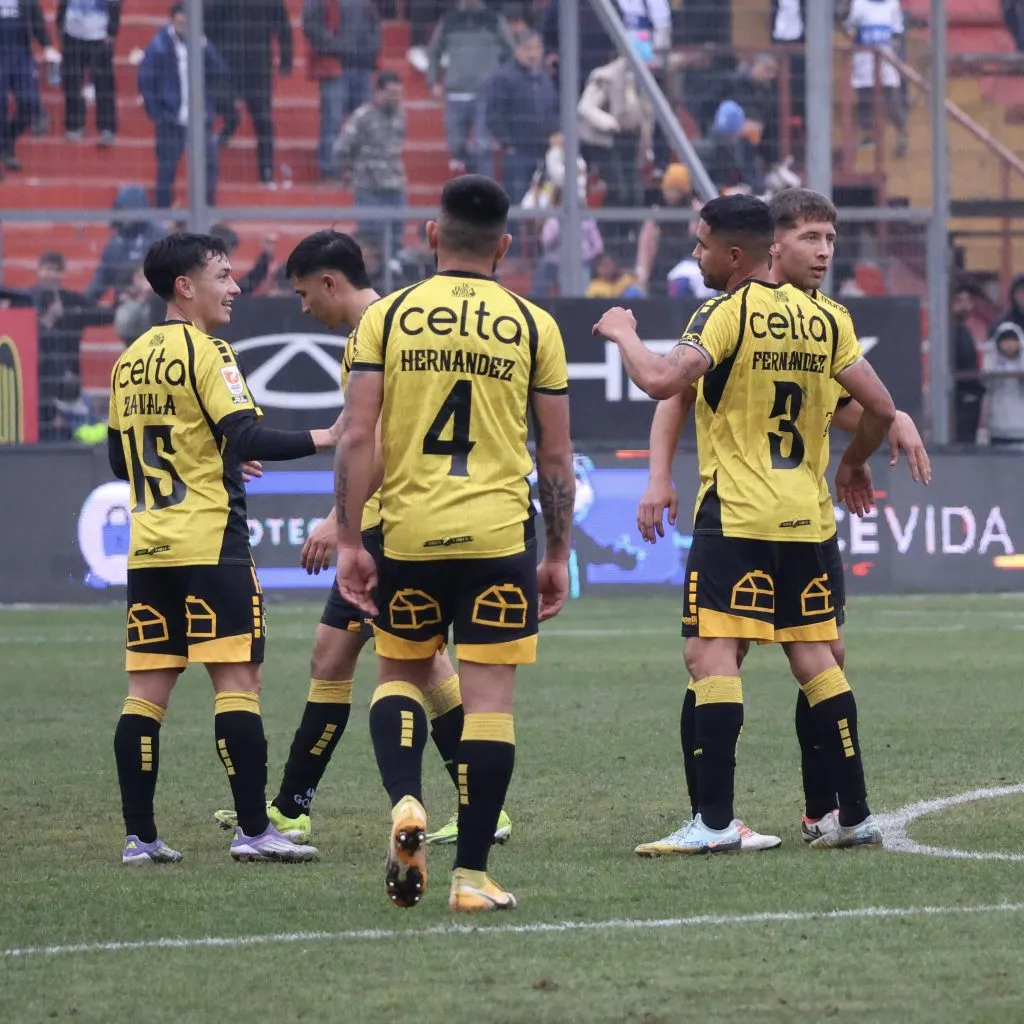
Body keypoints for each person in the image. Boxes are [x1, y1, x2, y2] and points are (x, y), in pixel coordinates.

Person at [594, 193, 897, 854]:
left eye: (701, 245)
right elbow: (880, 406)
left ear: (733, 255)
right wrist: (855, 463)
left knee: (709, 656)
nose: (696, 255)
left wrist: (621, 332)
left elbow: (659, 380)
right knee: (819, 659)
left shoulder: (726, 312)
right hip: (807, 519)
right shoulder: (827, 319)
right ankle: (853, 815)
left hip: (737, 517)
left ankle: (714, 822)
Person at [213, 229, 512, 847]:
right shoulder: (389, 322)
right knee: (334, 656)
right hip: (385, 521)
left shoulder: (378, 331)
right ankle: (293, 805)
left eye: (303, 293)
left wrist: (336, 521)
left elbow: (370, 440)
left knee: (419, 663)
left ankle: (483, 804)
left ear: (330, 282)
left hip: (387, 527)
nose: (302, 308)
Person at [334, 175, 574, 911]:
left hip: (408, 530)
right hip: (499, 535)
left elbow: (357, 435)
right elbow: (558, 458)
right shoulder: (534, 325)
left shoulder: (388, 318)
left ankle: (407, 802)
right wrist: (557, 553)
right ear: (505, 246)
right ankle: (471, 876)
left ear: (431, 237)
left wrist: (350, 537)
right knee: (490, 703)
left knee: (401, 676)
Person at [106, 232, 339, 864]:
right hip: (212, 546)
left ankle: (140, 838)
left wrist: (216, 453)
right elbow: (245, 430)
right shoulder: (209, 352)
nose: (235, 287)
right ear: (186, 286)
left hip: (149, 549)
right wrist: (328, 434)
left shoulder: (129, 359)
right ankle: (253, 830)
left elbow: (119, 457)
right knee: (238, 683)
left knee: (144, 696)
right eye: (223, 276)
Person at [138, 3, 225, 208]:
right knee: (166, 169)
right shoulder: (159, 46)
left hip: (199, 118)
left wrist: (205, 45)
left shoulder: (201, 44)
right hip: (171, 118)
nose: (184, 26)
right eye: (180, 21)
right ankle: (163, 211)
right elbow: (146, 80)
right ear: (173, 20)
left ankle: (207, 209)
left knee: (209, 166)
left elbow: (220, 71)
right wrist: (157, 113)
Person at [205, 0, 292, 186]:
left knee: (264, 121)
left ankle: (266, 174)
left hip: (258, 68)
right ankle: (230, 125)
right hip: (226, 64)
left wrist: (286, 60)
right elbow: (205, 20)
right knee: (220, 103)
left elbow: (283, 25)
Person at [32, 251, 116, 441]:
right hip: (38, 383)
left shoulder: (72, 300)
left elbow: (102, 316)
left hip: (68, 385)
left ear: (62, 274)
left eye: (55, 270)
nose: (50, 274)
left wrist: (119, 303)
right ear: (39, 271)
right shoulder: (26, 300)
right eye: (47, 269)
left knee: (77, 431)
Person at [427, 0, 513, 176]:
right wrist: (433, 81)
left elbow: (510, 50)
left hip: (486, 93)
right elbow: (434, 50)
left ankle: (485, 192)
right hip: (456, 93)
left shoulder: (494, 19)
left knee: (483, 147)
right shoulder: (449, 20)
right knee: (455, 146)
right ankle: (470, 177)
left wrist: (502, 81)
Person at [302, 0, 381, 182]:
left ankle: (359, 171)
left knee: (363, 123)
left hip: (362, 66)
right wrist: (336, 46)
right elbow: (311, 26)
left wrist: (372, 49)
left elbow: (374, 24)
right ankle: (330, 172)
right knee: (332, 122)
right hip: (335, 67)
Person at [335, 70, 407, 255]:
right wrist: (352, 172)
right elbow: (342, 148)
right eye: (391, 93)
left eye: (398, 93)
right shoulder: (362, 116)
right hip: (369, 187)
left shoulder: (401, 115)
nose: (395, 98)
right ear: (378, 92)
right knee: (369, 239)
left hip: (395, 185)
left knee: (396, 237)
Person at [483, 30, 558, 205]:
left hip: (544, 152)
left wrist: (555, 132)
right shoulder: (503, 77)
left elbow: (553, 109)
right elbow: (493, 116)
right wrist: (508, 144)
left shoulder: (544, 78)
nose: (533, 54)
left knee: (543, 202)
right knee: (516, 201)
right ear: (517, 50)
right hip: (517, 153)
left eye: (537, 49)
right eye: (528, 49)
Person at [0, 0, 58, 173]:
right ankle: (6, 150)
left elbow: (36, 19)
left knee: (29, 102)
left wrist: (47, 45)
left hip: (21, 53)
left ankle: (7, 140)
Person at [845, 0, 907, 156]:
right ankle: (868, 135)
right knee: (865, 98)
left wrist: (894, 46)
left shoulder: (892, 4)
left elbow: (897, 32)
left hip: (886, 59)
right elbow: (851, 28)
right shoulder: (858, 3)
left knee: (891, 99)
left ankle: (902, 134)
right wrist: (851, 32)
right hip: (864, 59)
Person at [85, 185, 167, 304]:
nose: (123, 216)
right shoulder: (115, 243)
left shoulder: (158, 236)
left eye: (126, 210)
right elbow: (101, 279)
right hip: (124, 305)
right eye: (120, 210)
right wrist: (82, 302)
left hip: (153, 304)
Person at [58, 0, 121, 146]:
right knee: (72, 81)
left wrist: (112, 30)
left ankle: (107, 127)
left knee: (104, 83)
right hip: (71, 33)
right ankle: (74, 125)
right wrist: (60, 22)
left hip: (99, 35)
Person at [952, 283, 985, 445]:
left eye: (968, 300)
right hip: (957, 403)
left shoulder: (964, 331)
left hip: (969, 401)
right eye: (959, 300)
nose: (965, 305)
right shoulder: (948, 333)